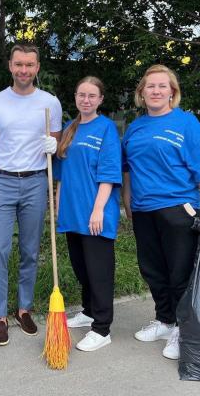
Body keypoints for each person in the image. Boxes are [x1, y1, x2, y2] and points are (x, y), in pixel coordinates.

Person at [121, 64, 200, 360]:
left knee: (179, 272)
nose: (155, 91)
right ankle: (165, 320)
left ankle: (184, 327)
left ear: (172, 92)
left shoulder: (186, 124)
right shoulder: (135, 127)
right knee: (152, 269)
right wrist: (127, 201)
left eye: (162, 86)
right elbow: (128, 168)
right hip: (143, 210)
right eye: (150, 86)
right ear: (141, 92)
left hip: (178, 207)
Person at [0, 43, 62, 346]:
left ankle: (24, 308)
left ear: (37, 67)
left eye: (30, 65)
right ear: (10, 66)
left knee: (30, 249)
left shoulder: (50, 103)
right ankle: (0, 315)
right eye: (18, 64)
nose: (24, 70)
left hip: (37, 181)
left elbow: (57, 145)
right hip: (2, 181)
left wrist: (54, 146)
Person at [53, 76, 121, 352]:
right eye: (82, 95)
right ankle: (89, 310)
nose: (86, 100)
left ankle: (102, 328)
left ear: (101, 99)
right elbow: (61, 176)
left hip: (95, 213)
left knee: (99, 271)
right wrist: (58, 206)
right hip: (72, 211)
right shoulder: (70, 128)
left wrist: (98, 210)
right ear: (76, 97)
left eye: (92, 95)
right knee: (81, 267)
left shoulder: (106, 129)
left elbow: (109, 173)